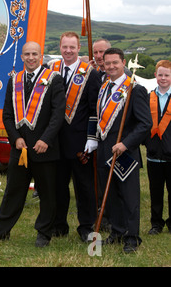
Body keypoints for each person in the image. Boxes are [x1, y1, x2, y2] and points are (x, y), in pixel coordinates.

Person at [0, 41, 65, 247]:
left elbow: (57, 114)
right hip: (20, 149)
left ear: (41, 55)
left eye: (34, 54)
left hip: (44, 148)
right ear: (22, 57)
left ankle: (43, 234)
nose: (30, 57)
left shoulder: (54, 80)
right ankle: (1, 231)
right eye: (27, 54)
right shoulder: (14, 80)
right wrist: (15, 138)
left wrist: (46, 139)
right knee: (13, 191)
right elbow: (8, 115)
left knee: (47, 193)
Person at [97, 48, 152, 253]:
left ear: (123, 63)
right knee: (111, 195)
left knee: (129, 198)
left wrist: (125, 144)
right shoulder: (104, 87)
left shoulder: (134, 89)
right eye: (107, 63)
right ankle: (117, 232)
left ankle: (132, 238)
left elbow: (145, 123)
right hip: (105, 150)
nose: (111, 67)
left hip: (125, 152)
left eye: (115, 63)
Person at [50, 32, 101, 242]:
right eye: (65, 47)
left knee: (84, 186)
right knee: (58, 185)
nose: (68, 51)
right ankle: (59, 224)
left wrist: (92, 137)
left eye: (72, 47)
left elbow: (94, 108)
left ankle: (86, 227)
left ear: (78, 48)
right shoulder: (51, 70)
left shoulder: (91, 73)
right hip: (56, 141)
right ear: (60, 47)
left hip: (81, 141)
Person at [144, 60, 171, 235]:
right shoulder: (148, 97)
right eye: (160, 75)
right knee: (155, 191)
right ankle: (156, 223)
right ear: (155, 76)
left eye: (167, 75)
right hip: (153, 153)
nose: (163, 78)